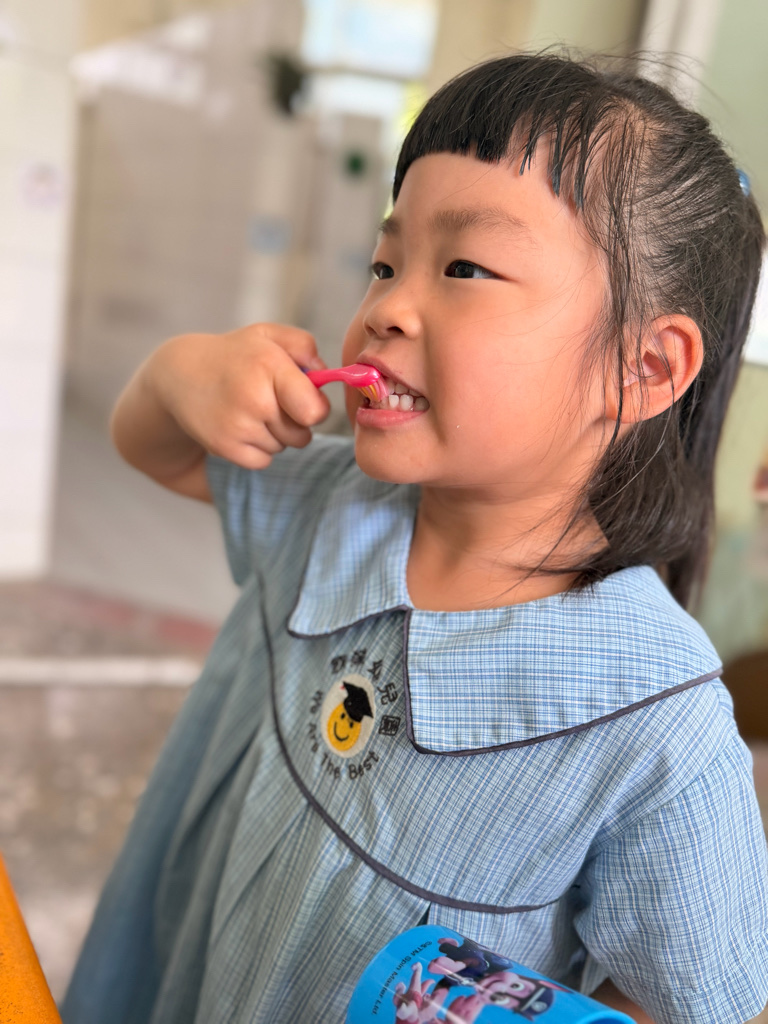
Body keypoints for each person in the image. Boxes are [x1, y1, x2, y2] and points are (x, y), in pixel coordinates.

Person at [62, 53, 768, 1024]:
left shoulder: (656, 719)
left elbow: (691, 1000)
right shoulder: (335, 504)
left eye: (464, 268)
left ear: (643, 366)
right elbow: (157, 450)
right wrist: (178, 371)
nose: (386, 307)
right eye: (386, 264)